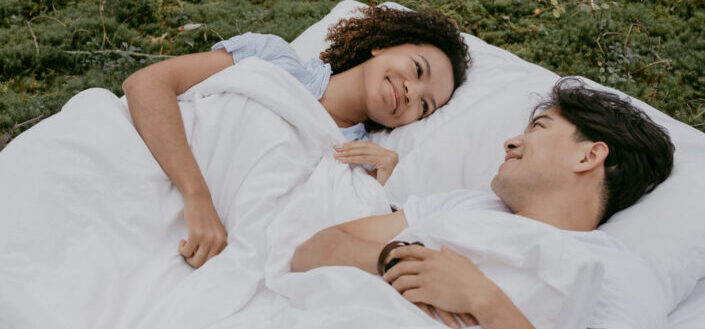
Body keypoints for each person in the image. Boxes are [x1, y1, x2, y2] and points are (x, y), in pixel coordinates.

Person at [291, 78, 675, 329]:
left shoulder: (621, 274)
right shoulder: (464, 207)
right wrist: (400, 260)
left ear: (588, 157)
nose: (510, 142)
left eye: (539, 128)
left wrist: (483, 298)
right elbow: (313, 250)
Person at [121, 6, 470, 268]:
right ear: (383, 45)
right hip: (139, 174)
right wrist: (196, 196)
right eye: (417, 69)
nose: (412, 93)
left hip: (200, 253)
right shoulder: (272, 59)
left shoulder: (353, 163)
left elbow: (312, 244)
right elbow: (147, 85)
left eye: (424, 106)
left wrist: (383, 188)